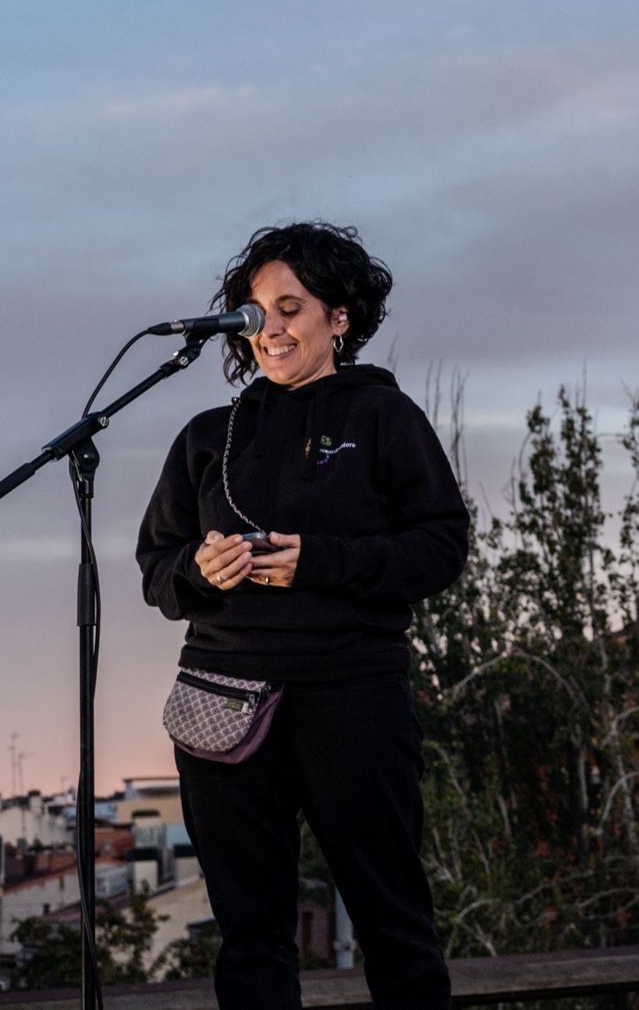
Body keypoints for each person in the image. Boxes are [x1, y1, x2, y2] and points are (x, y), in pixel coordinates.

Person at [137, 221, 468, 1008]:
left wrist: (319, 560)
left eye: (291, 307)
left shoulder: (384, 417)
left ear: (339, 316)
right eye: (256, 312)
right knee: (250, 939)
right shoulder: (207, 438)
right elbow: (158, 570)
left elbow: (440, 547)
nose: (272, 327)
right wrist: (200, 569)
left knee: (395, 923)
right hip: (221, 704)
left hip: (352, 694)